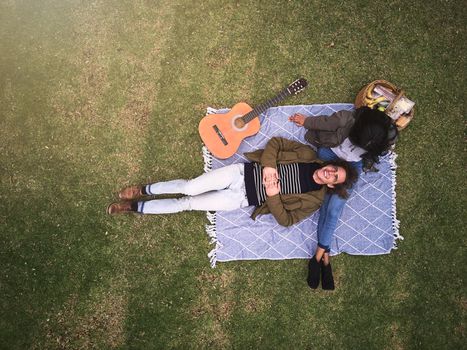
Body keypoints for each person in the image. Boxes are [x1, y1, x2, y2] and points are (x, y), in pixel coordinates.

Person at [108, 137, 358, 229]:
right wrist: (269, 166)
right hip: (240, 174)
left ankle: (134, 208)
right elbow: (276, 143)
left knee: (188, 203)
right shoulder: (307, 155)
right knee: (189, 186)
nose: (331, 174)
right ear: (331, 164)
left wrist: (272, 194)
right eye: (334, 169)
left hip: (241, 199)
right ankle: (143, 190)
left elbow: (286, 221)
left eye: (335, 178)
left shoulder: (314, 200)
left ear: (333, 186)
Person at [289, 107, 398, 290]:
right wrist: (306, 121)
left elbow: (375, 153)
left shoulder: (380, 140)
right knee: (327, 196)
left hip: (352, 166)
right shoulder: (346, 119)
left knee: (333, 209)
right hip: (331, 154)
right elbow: (325, 122)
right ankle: (325, 257)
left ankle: (319, 256)